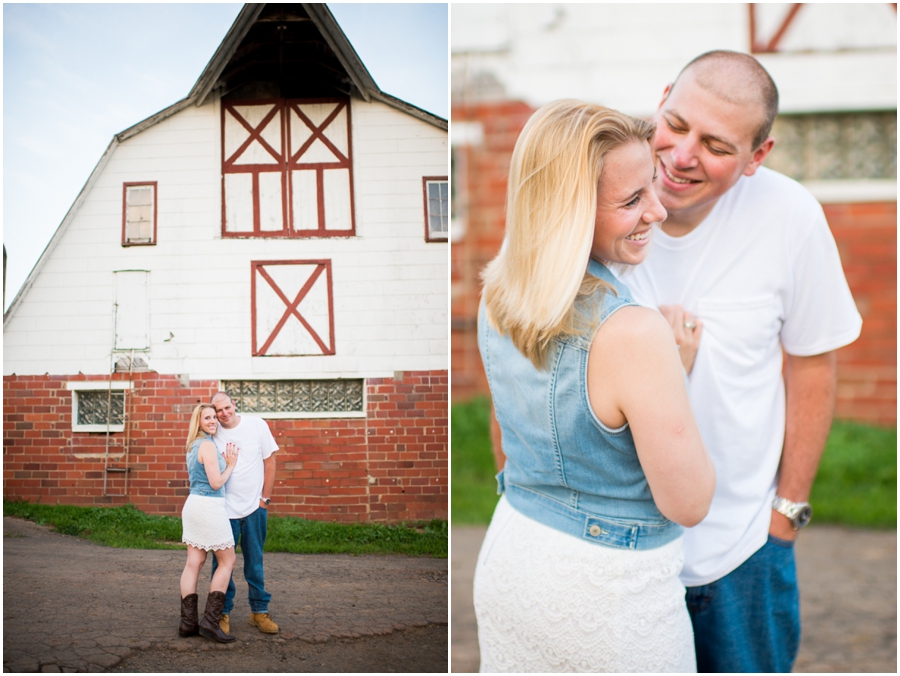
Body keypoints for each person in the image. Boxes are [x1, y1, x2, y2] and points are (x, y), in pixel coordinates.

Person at [623, 51, 863, 672]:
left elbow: (812, 363)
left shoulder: (791, 217)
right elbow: (522, 340)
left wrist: (785, 517)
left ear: (758, 155)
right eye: (675, 124)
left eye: (716, 146)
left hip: (745, 552)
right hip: (619, 549)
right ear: (663, 96)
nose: (680, 156)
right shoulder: (594, 197)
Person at [474, 99, 716, 673]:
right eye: (632, 200)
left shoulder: (498, 292)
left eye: (652, 187)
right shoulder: (634, 331)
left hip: (514, 553)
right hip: (610, 597)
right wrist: (674, 371)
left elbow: (502, 432)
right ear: (570, 211)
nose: (657, 211)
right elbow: (690, 501)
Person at [208, 392, 280, 635]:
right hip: (223, 511)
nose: (224, 413)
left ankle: (259, 612)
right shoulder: (212, 432)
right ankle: (222, 612)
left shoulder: (257, 425)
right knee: (221, 565)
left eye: (227, 407)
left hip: (253, 509)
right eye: (218, 410)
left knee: (255, 563)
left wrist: (264, 499)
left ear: (234, 405)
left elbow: (270, 462)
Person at [178, 403, 240, 644]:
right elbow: (216, 483)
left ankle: (187, 623)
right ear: (199, 421)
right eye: (208, 418)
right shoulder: (207, 445)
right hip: (209, 506)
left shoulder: (193, 445)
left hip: (193, 504)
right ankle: (210, 622)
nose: (214, 420)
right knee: (228, 559)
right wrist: (231, 465)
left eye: (215, 417)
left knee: (194, 562)